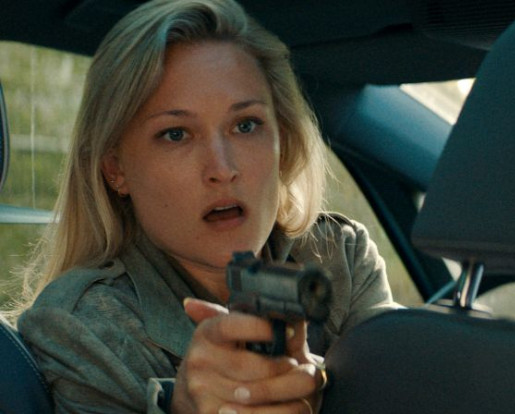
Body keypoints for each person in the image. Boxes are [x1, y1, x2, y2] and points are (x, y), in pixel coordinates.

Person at [15, 0, 398, 412]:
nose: (222, 169)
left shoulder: (340, 257)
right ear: (115, 169)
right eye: (176, 134)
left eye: (245, 125)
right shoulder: (83, 328)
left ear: (282, 141)